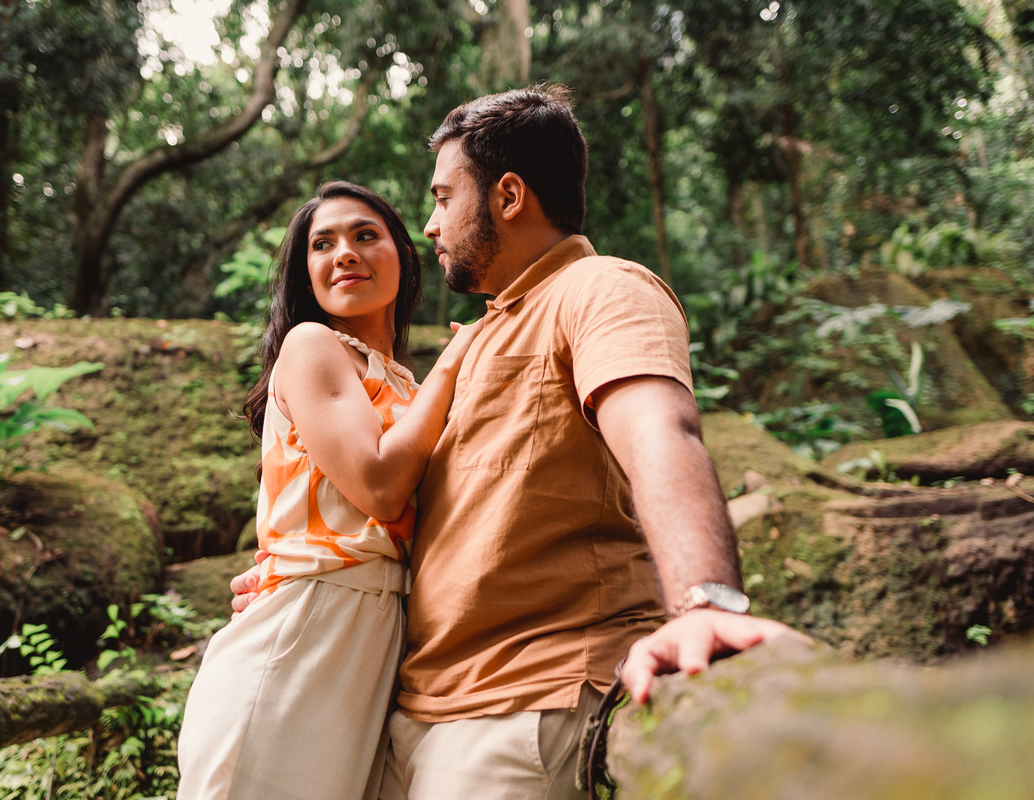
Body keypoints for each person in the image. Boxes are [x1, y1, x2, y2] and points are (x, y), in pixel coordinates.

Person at [231, 86, 800, 799]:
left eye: (444, 199)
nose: (430, 226)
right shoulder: (475, 339)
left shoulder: (599, 289)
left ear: (508, 196)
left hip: (522, 704)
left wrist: (706, 602)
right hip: (406, 712)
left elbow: (660, 431)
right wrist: (299, 575)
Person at [177, 181, 480, 800]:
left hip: (381, 639)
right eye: (323, 244)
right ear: (306, 273)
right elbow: (379, 485)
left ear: (404, 255)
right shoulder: (313, 344)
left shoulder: (407, 386)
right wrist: (456, 361)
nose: (344, 253)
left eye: (365, 235)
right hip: (307, 625)